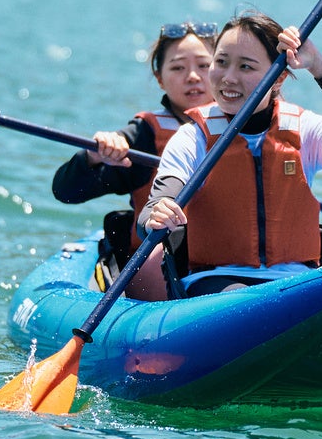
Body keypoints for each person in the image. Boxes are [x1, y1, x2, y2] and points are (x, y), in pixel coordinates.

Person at [140, 8, 322, 296]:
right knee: (242, 299)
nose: (228, 78)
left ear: (278, 78)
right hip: (218, 284)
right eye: (221, 62)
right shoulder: (192, 137)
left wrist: (319, 66)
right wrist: (158, 213)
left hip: (297, 281)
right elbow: (153, 208)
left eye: (246, 67)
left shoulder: (303, 129)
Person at [51, 20, 217, 297]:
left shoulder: (248, 127)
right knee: (156, 259)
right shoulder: (142, 136)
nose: (192, 76)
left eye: (204, 65)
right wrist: (95, 156)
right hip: (162, 264)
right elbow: (65, 191)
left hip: (228, 258)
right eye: (177, 67)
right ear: (159, 78)